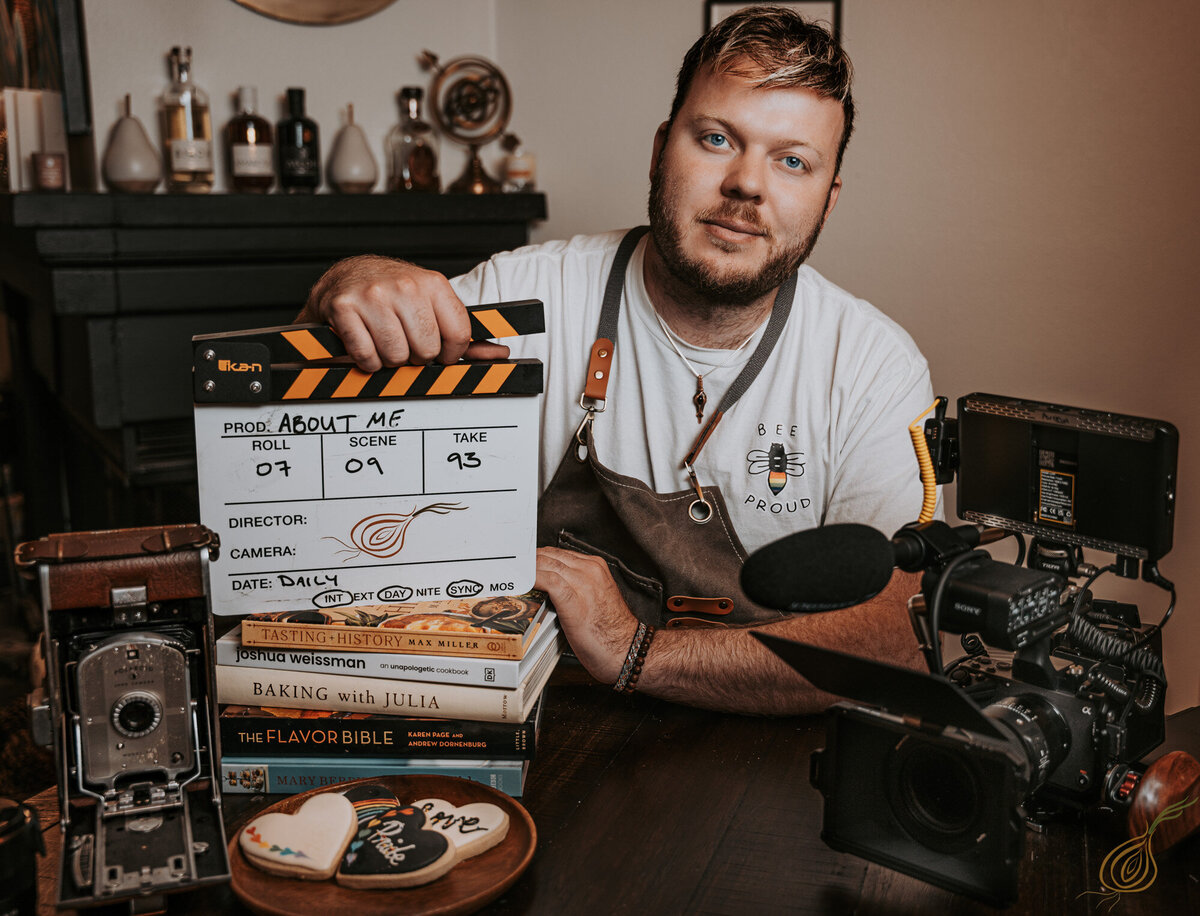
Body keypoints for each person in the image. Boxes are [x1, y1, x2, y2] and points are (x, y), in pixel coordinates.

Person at [297, 8, 935, 715]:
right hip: (543, 721)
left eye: (793, 161)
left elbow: (896, 636)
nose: (747, 185)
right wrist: (343, 284)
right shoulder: (524, 296)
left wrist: (634, 647)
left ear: (828, 199)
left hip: (765, 747)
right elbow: (317, 460)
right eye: (718, 138)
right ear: (663, 148)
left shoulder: (871, 365)